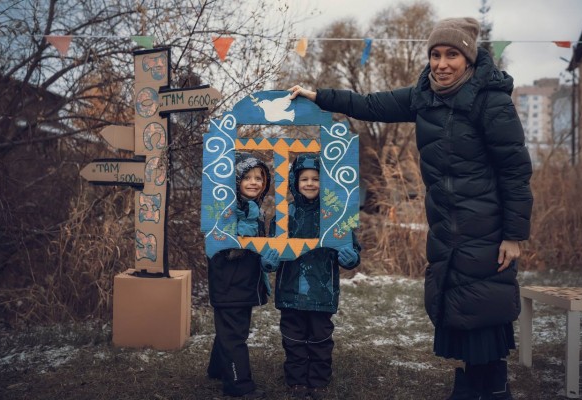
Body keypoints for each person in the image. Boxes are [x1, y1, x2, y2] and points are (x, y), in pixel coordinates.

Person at [289, 17, 533, 400]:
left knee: (484, 304)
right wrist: (320, 95)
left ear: (469, 58)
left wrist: (514, 235)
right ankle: (472, 381)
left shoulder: (492, 101)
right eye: (435, 55)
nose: (442, 63)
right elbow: (368, 104)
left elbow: (515, 171)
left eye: (452, 54)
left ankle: (494, 385)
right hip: (446, 224)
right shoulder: (425, 96)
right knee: (460, 305)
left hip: (486, 223)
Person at [264, 153, 361, 400]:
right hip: (290, 289)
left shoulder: (335, 214)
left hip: (322, 290)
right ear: (295, 182)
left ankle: (318, 382)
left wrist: (351, 257)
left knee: (321, 338)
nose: (309, 183)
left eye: (316, 179)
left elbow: (351, 246)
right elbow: (270, 247)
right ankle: (296, 382)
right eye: (304, 178)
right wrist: (268, 261)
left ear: (325, 182)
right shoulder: (285, 213)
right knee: (293, 338)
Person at [206, 152, 278, 399]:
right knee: (234, 335)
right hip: (229, 283)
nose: (254, 181)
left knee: (232, 330)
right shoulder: (228, 208)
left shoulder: (254, 208)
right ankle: (239, 385)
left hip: (243, 284)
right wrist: (240, 234)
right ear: (235, 181)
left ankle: (218, 369)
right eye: (247, 177)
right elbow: (221, 242)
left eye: (259, 177)